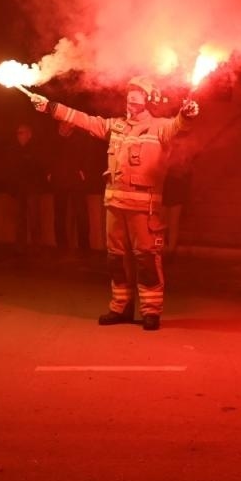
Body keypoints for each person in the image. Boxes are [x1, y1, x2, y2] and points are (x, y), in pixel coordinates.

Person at [31, 78, 198, 331]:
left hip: (144, 211)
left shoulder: (159, 128)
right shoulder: (116, 126)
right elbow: (85, 120)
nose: (131, 101)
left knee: (147, 260)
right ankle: (120, 307)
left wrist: (187, 114)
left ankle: (151, 311)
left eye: (137, 97)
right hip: (115, 207)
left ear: (148, 100)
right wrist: (50, 107)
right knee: (116, 260)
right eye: (129, 97)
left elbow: (179, 125)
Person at [47, 122, 95, 255]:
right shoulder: (55, 140)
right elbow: (49, 156)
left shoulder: (79, 140)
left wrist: (83, 172)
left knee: (81, 214)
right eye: (60, 125)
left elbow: (88, 156)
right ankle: (61, 245)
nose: (61, 127)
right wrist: (50, 173)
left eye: (65, 125)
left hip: (75, 181)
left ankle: (84, 246)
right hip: (59, 181)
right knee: (59, 214)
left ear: (72, 126)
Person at [0, 123, 48, 256]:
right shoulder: (14, 151)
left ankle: (36, 245)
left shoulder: (35, 150)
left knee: (34, 218)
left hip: (32, 189)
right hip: (20, 190)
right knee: (20, 219)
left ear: (29, 134)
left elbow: (39, 169)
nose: (19, 136)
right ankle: (20, 245)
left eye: (22, 133)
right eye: (18, 133)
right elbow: (11, 171)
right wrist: (12, 188)